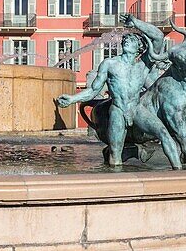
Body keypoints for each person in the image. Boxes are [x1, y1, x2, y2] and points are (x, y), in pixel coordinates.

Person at [57, 16, 167, 167]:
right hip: (117, 110)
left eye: (132, 40)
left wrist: (135, 23)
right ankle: (115, 176)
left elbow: (159, 37)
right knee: (115, 154)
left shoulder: (143, 64)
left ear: (139, 48)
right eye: (126, 40)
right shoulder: (109, 63)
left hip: (137, 109)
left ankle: (180, 171)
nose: (127, 41)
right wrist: (72, 99)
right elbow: (94, 90)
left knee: (163, 133)